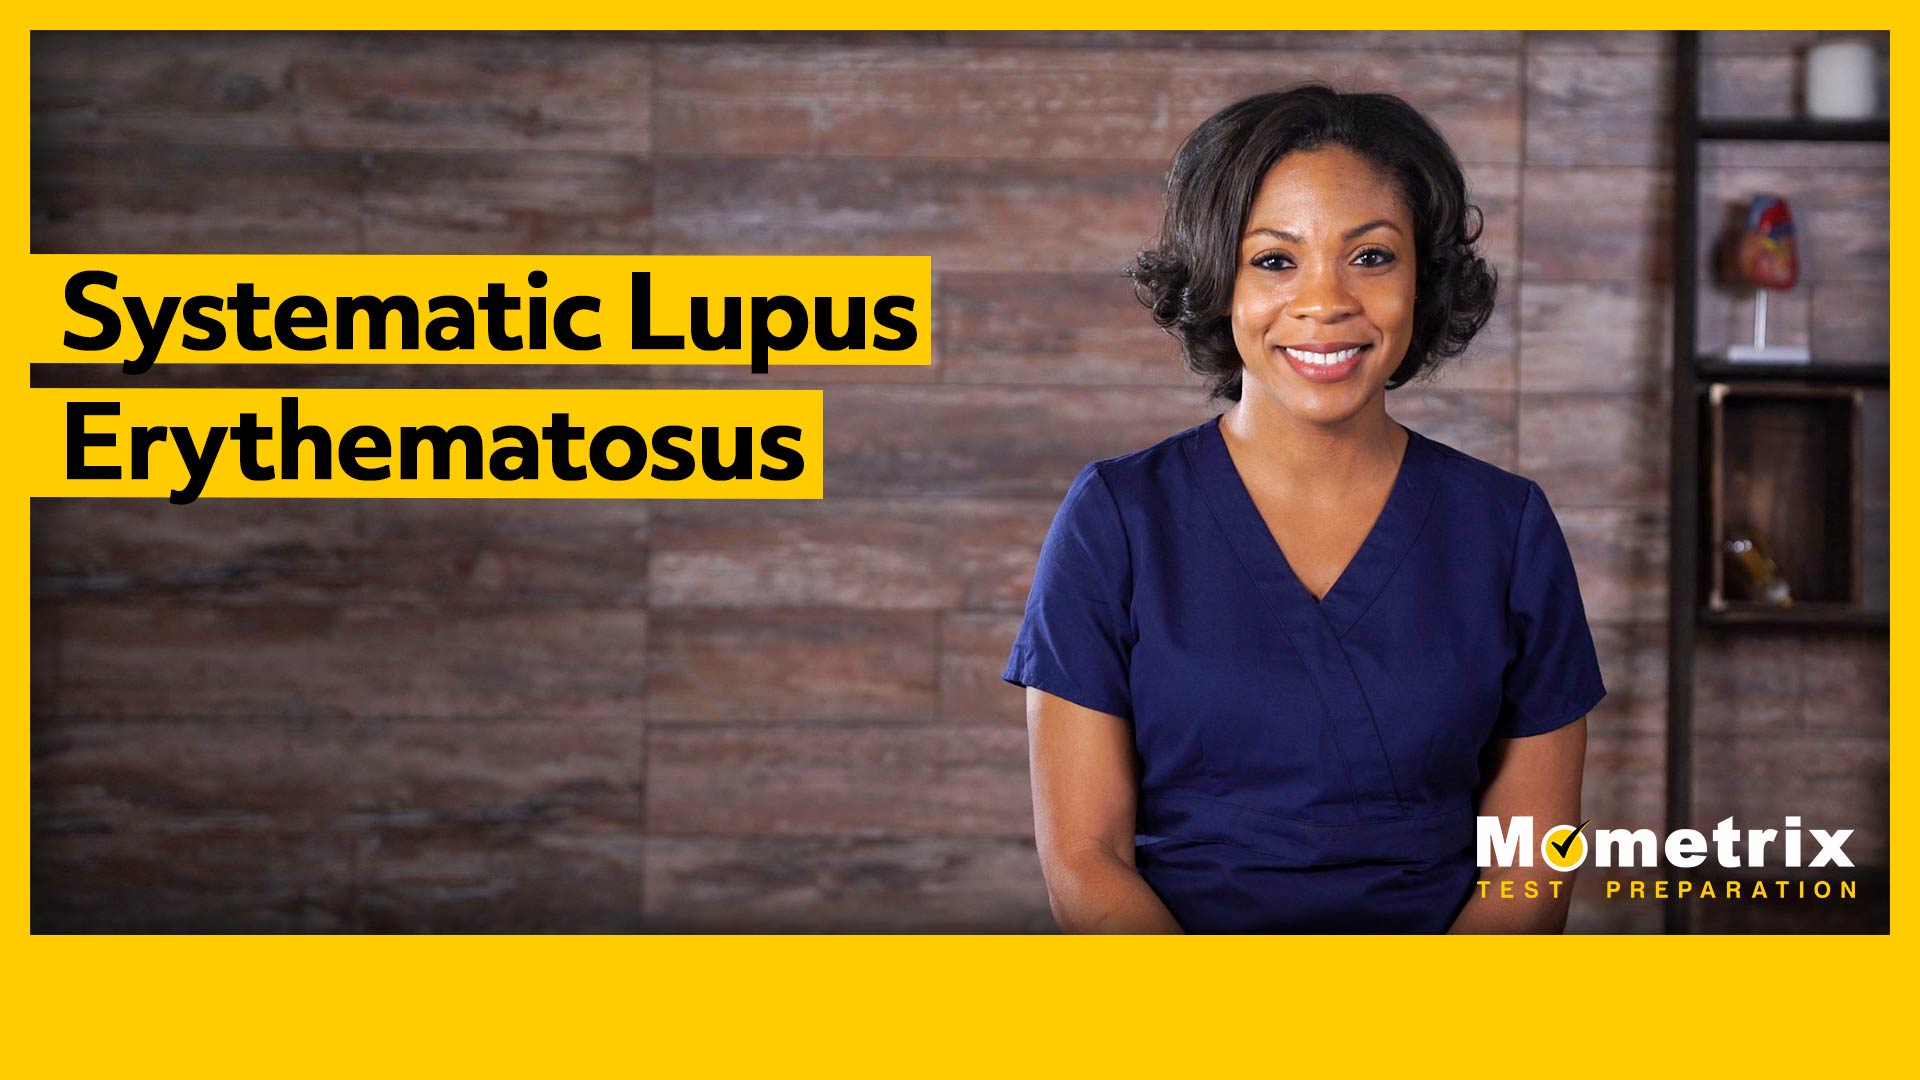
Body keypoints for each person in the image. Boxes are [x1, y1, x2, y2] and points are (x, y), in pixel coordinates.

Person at [1004, 84, 1605, 933]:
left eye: (1370, 257)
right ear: (1219, 282)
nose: (1324, 302)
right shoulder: (1117, 519)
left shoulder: (1506, 529)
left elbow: (1533, 870)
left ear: (1422, 280)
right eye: (1275, 259)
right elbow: (1084, 865)